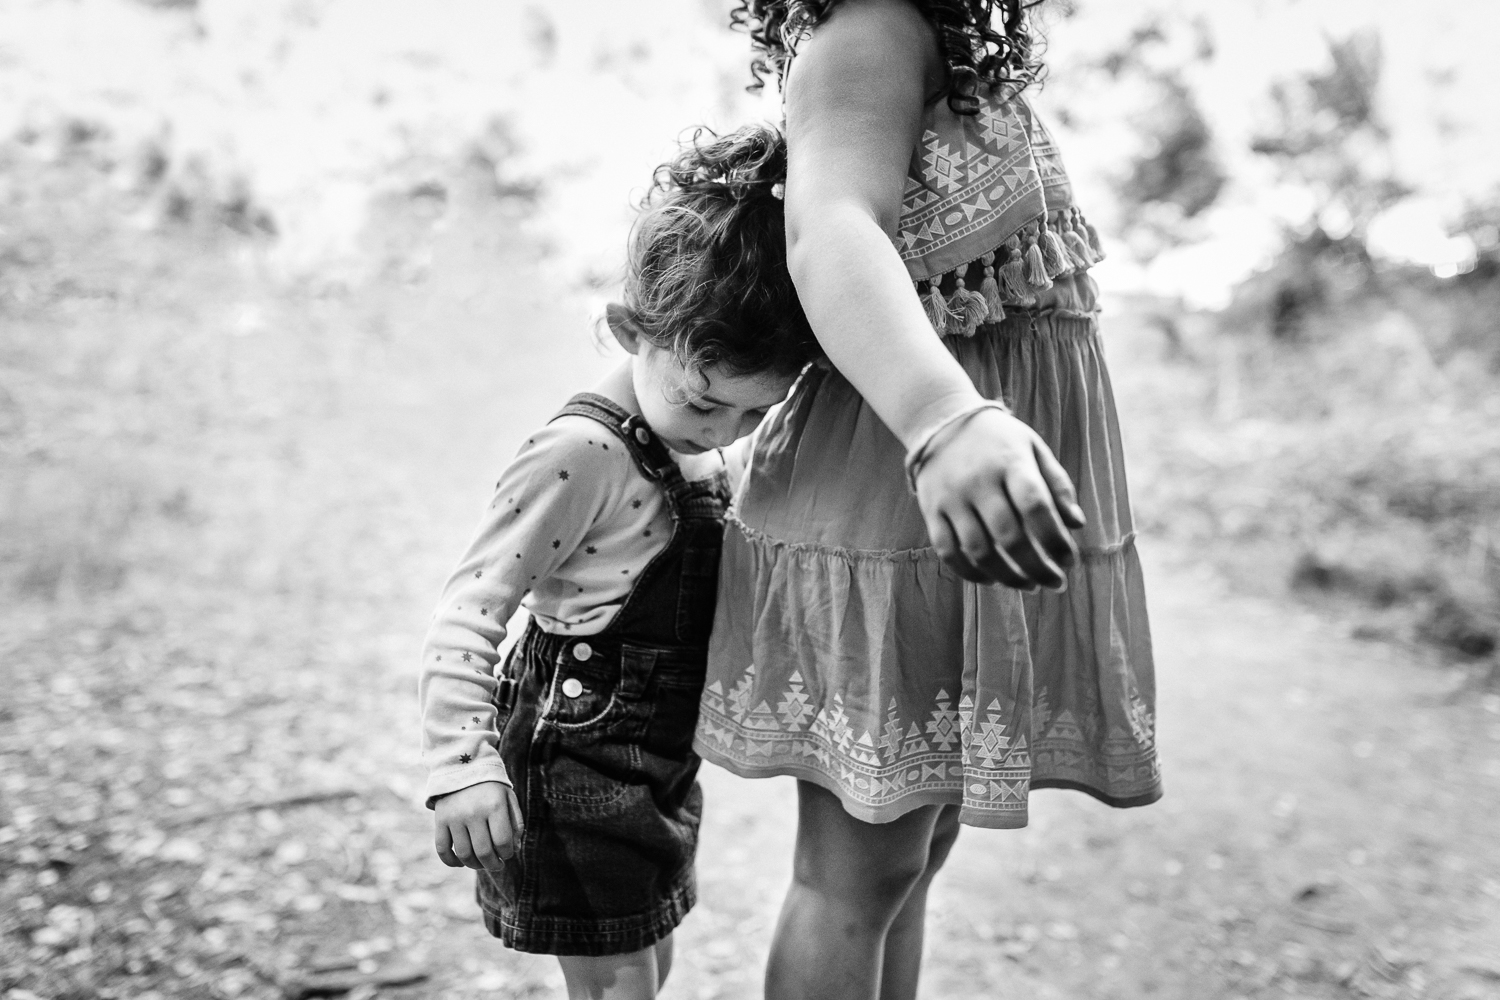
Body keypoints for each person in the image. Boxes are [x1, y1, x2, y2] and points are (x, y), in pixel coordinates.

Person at [693, 2, 1163, 998]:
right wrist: (944, 418)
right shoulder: (870, 27)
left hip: (950, 522)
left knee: (914, 846)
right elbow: (827, 230)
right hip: (896, 498)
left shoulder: (938, 49)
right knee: (856, 871)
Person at [417, 124, 818, 1000]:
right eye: (707, 403)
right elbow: (470, 608)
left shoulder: (697, 440)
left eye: (750, 417)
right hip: (575, 763)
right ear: (629, 327)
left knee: (649, 955)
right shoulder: (578, 455)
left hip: (660, 766)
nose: (721, 435)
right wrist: (461, 765)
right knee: (617, 981)